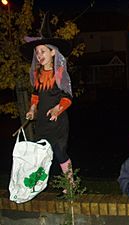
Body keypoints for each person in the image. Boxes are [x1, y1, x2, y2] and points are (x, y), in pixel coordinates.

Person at [20, 12, 74, 187]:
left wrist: (58, 108)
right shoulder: (38, 75)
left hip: (58, 123)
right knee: (39, 153)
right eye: (37, 52)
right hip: (43, 123)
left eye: (42, 51)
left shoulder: (60, 74)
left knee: (59, 153)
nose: (39, 55)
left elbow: (68, 96)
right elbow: (36, 95)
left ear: (52, 52)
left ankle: (70, 185)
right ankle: (35, 186)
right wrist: (32, 109)